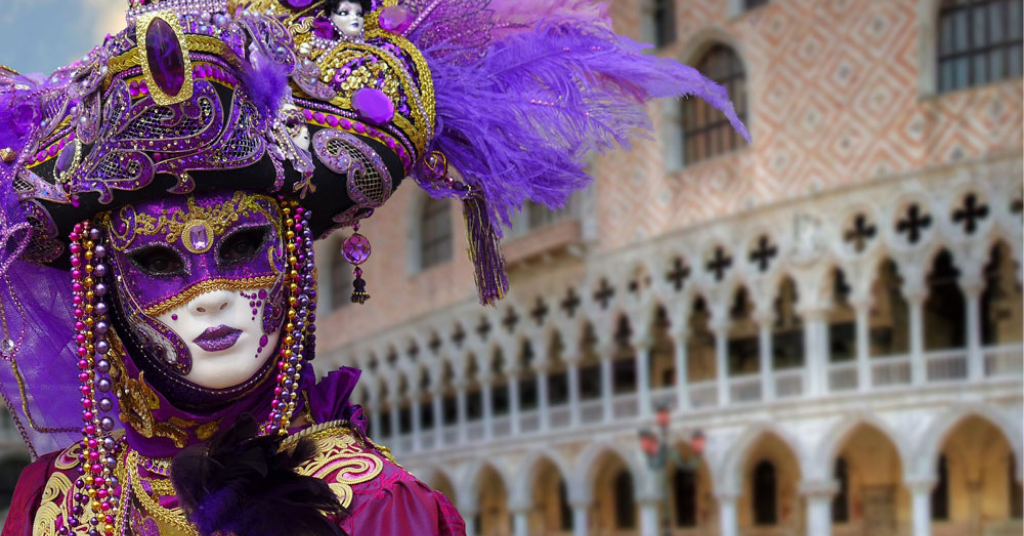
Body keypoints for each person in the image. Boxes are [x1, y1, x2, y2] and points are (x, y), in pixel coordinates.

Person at [0, 0, 748, 534]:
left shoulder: (376, 507)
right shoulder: (57, 502)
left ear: (293, 257)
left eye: (243, 247)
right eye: (160, 260)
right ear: (102, 282)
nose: (211, 296)